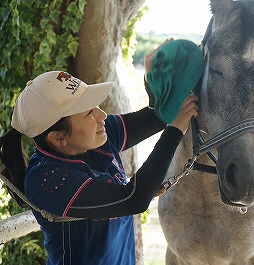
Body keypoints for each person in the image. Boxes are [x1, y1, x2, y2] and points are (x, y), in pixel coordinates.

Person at [0, 42, 199, 265]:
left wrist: (154, 83)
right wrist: (174, 132)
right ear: (57, 137)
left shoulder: (99, 136)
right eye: (87, 113)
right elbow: (135, 198)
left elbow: (158, 117)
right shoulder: (46, 181)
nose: (101, 115)